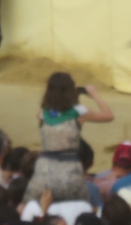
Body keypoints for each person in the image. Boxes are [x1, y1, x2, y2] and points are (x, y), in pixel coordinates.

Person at [25, 72, 114, 202]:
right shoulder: (80, 111)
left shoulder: (42, 114)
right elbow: (109, 115)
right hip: (70, 172)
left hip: (44, 171)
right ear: (70, 91)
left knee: (28, 207)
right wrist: (93, 94)